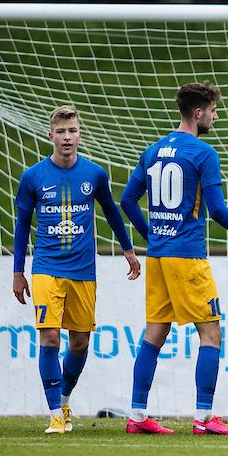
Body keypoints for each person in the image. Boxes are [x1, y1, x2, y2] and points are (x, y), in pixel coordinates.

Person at [120, 82, 228, 435]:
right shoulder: (203, 153)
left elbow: (127, 201)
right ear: (198, 113)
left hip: (159, 257)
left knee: (154, 333)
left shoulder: (153, 151)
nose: (216, 116)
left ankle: (137, 415)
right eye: (213, 110)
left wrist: (151, 235)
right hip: (187, 257)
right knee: (211, 334)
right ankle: (203, 416)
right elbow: (219, 212)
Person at [12, 105, 141, 434]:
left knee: (80, 343)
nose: (67, 137)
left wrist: (128, 251)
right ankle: (55, 414)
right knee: (50, 336)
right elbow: (22, 225)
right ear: (50, 135)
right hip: (46, 268)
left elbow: (112, 212)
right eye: (61, 132)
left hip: (84, 271)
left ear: (79, 134)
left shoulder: (95, 174)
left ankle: (65, 398)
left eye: (73, 131)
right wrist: (18, 271)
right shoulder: (33, 177)